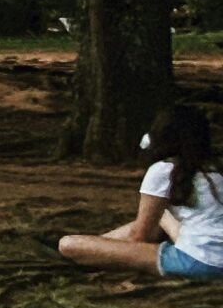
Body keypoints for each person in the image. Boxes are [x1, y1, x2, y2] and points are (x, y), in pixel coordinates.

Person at [58, 106, 223, 280]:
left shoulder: (163, 171)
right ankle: (99, 242)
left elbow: (139, 236)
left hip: (199, 263)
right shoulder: (216, 169)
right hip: (213, 255)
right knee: (163, 216)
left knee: (68, 244)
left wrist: (102, 247)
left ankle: (94, 246)